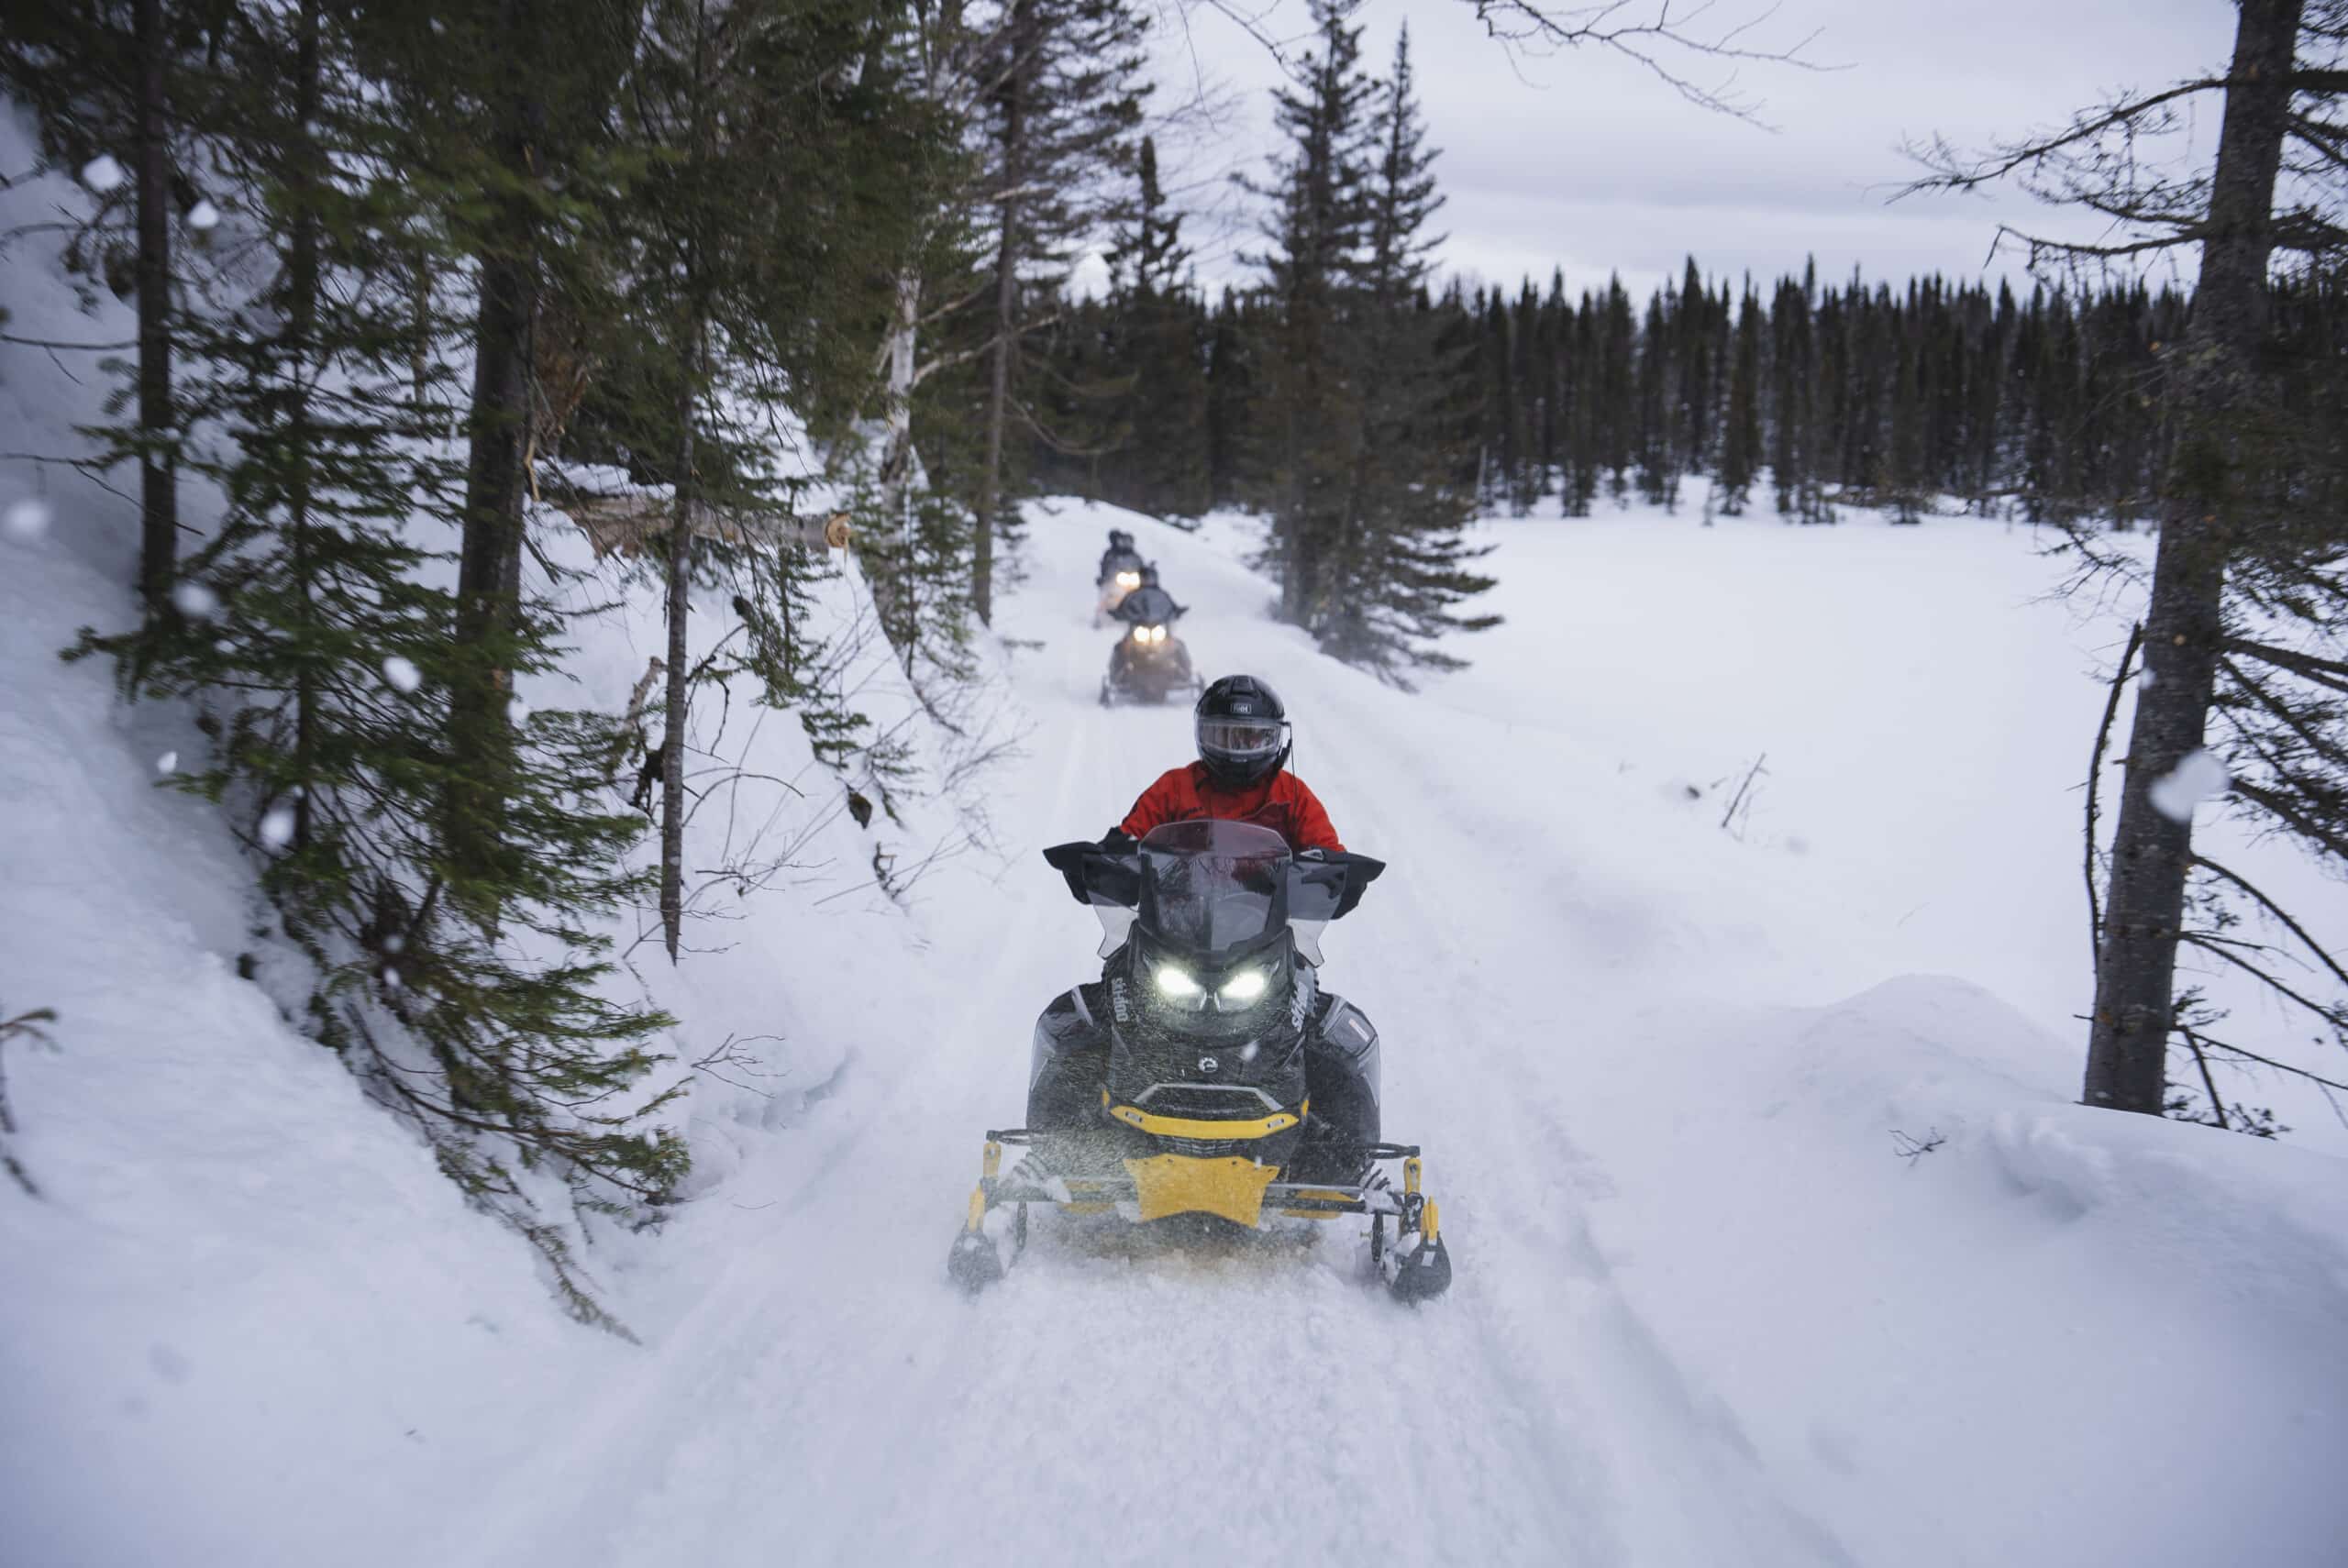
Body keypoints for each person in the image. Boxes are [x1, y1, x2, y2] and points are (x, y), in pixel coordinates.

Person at [1110, 675, 1341, 854]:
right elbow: (1133, 833)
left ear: (1274, 739)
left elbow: (1326, 848)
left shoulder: (1291, 794)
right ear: (1202, 733)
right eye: (1223, 736)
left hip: (1270, 911)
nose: (1237, 750)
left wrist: (1334, 872)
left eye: (1251, 739)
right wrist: (1113, 857)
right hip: (1180, 909)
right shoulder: (1176, 787)